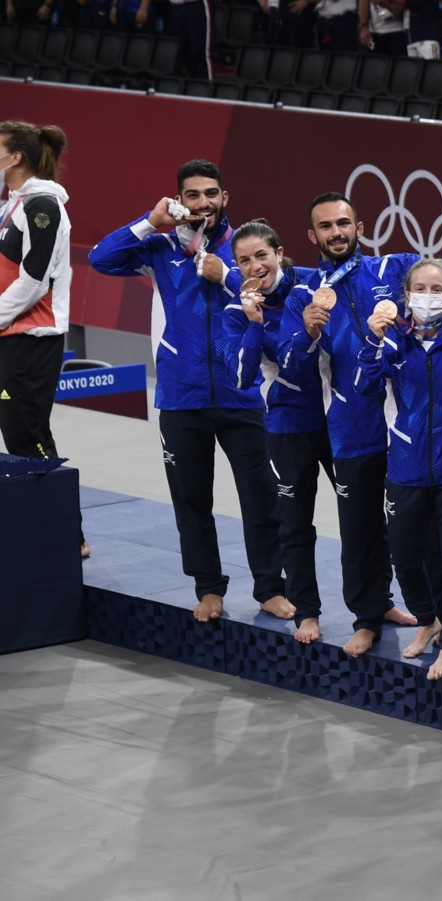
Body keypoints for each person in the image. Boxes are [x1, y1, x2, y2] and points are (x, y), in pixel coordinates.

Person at [87, 160, 291, 624]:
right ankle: (208, 587)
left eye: (211, 193)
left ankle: (270, 588)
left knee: (261, 497)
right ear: (179, 200)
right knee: (191, 499)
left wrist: (228, 274)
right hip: (181, 396)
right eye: (193, 195)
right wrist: (149, 221)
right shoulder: (160, 248)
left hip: (242, 394)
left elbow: (276, 294)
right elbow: (101, 259)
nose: (203, 203)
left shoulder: (243, 248)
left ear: (225, 197)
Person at [283, 191, 442, 655]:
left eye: (343, 223)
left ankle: (436, 615)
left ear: (360, 227)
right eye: (326, 226)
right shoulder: (304, 294)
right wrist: (308, 332)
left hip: (408, 426)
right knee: (359, 529)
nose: (336, 233)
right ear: (312, 235)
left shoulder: (394, 268)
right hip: (351, 427)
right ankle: (367, 617)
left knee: (419, 530)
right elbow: (291, 366)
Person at [357, 259, 442, 680]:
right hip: (405, 465)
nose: (428, 296)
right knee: (406, 554)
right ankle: (428, 619)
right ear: (405, 295)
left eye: (437, 289)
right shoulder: (392, 341)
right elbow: (365, 388)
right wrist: (372, 342)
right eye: (420, 289)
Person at [228, 220, 333, 630]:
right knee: (294, 525)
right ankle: (307, 612)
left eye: (261, 255)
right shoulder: (237, 312)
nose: (255, 266)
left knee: (363, 519)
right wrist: (255, 324)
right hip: (289, 425)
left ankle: (376, 605)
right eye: (244, 261)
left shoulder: (314, 284)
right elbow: (241, 377)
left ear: (279, 253)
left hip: (341, 422)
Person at [0, 122, 73, 468]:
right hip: (9, 332)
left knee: (28, 439)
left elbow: (34, 281)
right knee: (16, 436)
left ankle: (53, 503)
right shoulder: (13, 205)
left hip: (32, 338)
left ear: (14, 157)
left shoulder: (43, 205)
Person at [167, 0, 214, 79]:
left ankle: (207, 84)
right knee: (179, 53)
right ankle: (194, 82)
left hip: (195, 4)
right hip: (175, 5)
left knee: (200, 51)